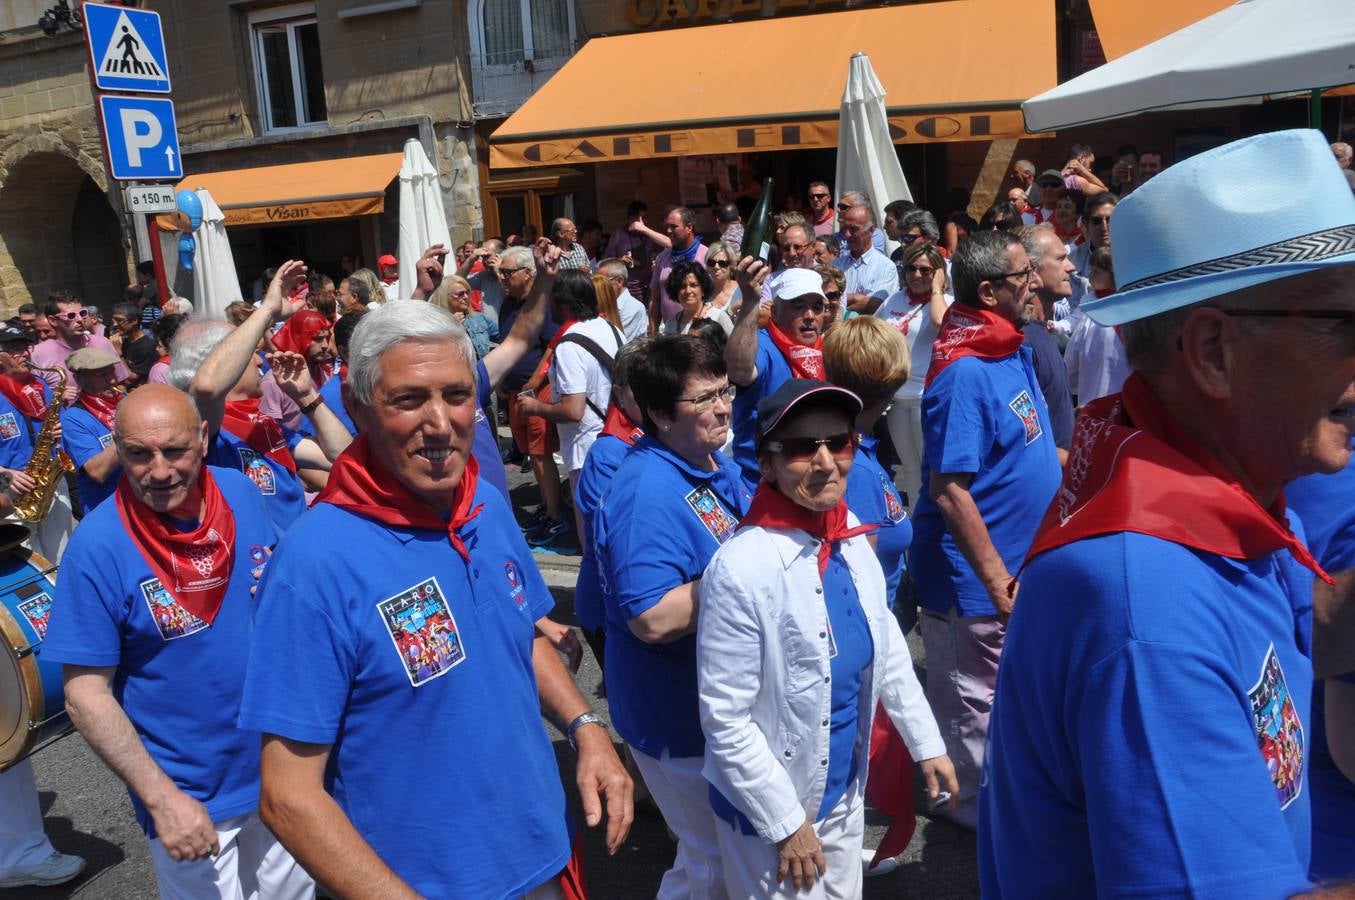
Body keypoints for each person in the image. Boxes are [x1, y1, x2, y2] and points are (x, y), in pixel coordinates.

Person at [979, 128, 1355, 897]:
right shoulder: (1145, 605)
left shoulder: (1197, 485)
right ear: (1214, 352)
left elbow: (1305, 623)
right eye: (1343, 324)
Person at [238, 301, 631, 898]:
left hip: (541, 855)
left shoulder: (486, 506)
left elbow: (519, 634)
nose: (440, 422)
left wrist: (586, 726)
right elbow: (287, 796)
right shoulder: (315, 564)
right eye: (408, 399)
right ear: (359, 406)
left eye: (455, 395)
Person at [41, 385, 313, 900]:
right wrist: (161, 800)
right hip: (191, 795)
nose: (159, 471)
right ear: (117, 449)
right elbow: (84, 695)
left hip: (283, 768)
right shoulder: (97, 546)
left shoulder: (237, 490)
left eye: (175, 450)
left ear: (204, 439)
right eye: (138, 454)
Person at [697, 379, 957, 899]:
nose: (824, 462)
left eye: (838, 442)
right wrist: (787, 823)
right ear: (766, 464)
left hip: (840, 792)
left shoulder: (848, 531)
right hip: (774, 812)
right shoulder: (741, 568)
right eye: (800, 447)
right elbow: (725, 720)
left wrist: (926, 742)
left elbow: (886, 647)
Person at [909, 230, 1062, 829]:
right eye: (1023, 275)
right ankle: (969, 812)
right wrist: (997, 580)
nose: (1034, 283)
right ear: (989, 290)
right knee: (973, 705)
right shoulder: (964, 373)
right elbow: (949, 491)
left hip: (1025, 566)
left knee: (1012, 699)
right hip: (977, 582)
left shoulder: (1009, 346)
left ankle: (1004, 803)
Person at [594, 333, 748, 899]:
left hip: (710, 705)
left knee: (714, 855)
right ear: (659, 413)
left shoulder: (703, 457)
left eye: (724, 391)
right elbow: (652, 618)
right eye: (704, 399)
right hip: (676, 717)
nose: (723, 407)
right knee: (712, 860)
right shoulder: (647, 491)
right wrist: (751, 573)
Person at [178, 262, 353, 526]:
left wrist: (306, 396)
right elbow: (207, 387)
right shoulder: (203, 424)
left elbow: (342, 455)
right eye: (249, 355)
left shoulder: (259, 421)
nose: (260, 362)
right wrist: (268, 310)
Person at [518, 268, 624, 545]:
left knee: (592, 540)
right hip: (619, 441)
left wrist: (534, 407)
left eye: (551, 298)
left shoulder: (568, 346)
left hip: (587, 450)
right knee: (617, 528)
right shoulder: (612, 329)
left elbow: (572, 411)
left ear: (563, 302)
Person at [574, 338, 649, 665]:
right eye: (642, 387)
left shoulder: (669, 436)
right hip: (611, 610)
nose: (655, 396)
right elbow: (620, 541)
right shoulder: (606, 455)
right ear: (619, 393)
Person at [727, 265, 828, 489]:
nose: (810, 316)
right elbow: (739, 371)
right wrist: (750, 303)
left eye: (817, 307)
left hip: (814, 482)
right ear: (774, 312)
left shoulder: (828, 350)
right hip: (763, 487)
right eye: (798, 307)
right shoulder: (763, 345)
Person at [874, 242, 952, 509]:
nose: (916, 275)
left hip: (925, 398)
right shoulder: (894, 300)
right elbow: (875, 333)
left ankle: (937, 523)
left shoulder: (945, 303)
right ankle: (918, 530)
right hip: (897, 399)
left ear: (938, 272)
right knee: (909, 470)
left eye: (925, 270)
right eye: (910, 268)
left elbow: (939, 323)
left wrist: (937, 289)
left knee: (928, 469)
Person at [0, 324, 74, 562]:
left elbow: (57, 428)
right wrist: (4, 473)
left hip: (49, 478)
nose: (24, 354)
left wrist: (59, 433)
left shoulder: (41, 387)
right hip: (12, 487)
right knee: (27, 556)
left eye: (25, 347)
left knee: (63, 551)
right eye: (14, 350)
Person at [1018, 225, 1077, 450]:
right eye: (1060, 259)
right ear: (1032, 271)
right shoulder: (1023, 341)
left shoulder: (1042, 331)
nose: (1070, 268)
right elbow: (1024, 437)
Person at [1064, 245, 1130, 403]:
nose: (1089, 275)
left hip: (1094, 408)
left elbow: (1070, 364)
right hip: (1130, 405)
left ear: (1114, 276)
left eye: (1096, 272)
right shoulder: (1138, 314)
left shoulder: (1091, 319)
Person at [62, 347, 123, 515]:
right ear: (79, 379)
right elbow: (97, 472)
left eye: (113, 373)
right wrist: (125, 434)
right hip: (105, 508)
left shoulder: (124, 401)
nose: (112, 381)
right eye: (103, 375)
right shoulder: (73, 418)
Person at [31, 292, 129, 393]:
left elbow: (121, 384)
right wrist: (56, 396)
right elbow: (35, 399)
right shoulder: (38, 354)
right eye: (71, 315)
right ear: (53, 321)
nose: (79, 319)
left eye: (82, 313)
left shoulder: (102, 343)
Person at [259, 309, 334, 432]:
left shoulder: (322, 369)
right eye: (318, 339)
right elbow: (269, 431)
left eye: (326, 338)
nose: (325, 345)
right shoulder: (274, 381)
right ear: (298, 338)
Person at [649, 207, 707, 331]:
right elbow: (655, 299)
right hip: (670, 331)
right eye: (667, 226)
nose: (669, 231)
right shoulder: (662, 258)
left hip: (699, 332)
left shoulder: (706, 257)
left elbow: (714, 297)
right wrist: (653, 337)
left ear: (689, 228)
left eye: (674, 226)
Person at [835, 202, 896, 315]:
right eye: (845, 229)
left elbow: (875, 305)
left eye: (853, 229)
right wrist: (856, 298)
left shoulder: (885, 267)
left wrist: (839, 304)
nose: (847, 235)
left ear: (872, 230)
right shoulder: (836, 265)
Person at [604, 201, 668, 303]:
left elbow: (668, 247)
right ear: (631, 219)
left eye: (646, 217)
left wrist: (656, 260)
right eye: (641, 218)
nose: (645, 221)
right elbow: (605, 262)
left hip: (649, 287)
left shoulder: (649, 234)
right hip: (627, 289)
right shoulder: (618, 235)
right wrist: (619, 261)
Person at [661, 261, 734, 337]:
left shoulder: (718, 316)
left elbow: (734, 345)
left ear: (703, 289)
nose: (688, 291)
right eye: (682, 286)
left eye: (693, 285)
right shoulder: (671, 324)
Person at [597, 258, 649, 342]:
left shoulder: (634, 308)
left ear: (619, 281)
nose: (598, 286)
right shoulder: (600, 304)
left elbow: (617, 342)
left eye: (603, 282)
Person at [111, 301, 157, 386]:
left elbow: (131, 380)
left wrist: (118, 354)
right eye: (114, 320)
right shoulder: (125, 342)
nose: (114, 324)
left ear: (134, 320)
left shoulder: (147, 346)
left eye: (119, 320)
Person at [704, 242, 742, 315]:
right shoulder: (703, 295)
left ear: (731, 266)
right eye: (712, 262)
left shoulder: (742, 289)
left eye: (722, 263)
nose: (716, 267)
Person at [147, 314, 184, 386]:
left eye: (159, 345)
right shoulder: (200, 361)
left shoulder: (159, 370)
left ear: (169, 342)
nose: (156, 349)